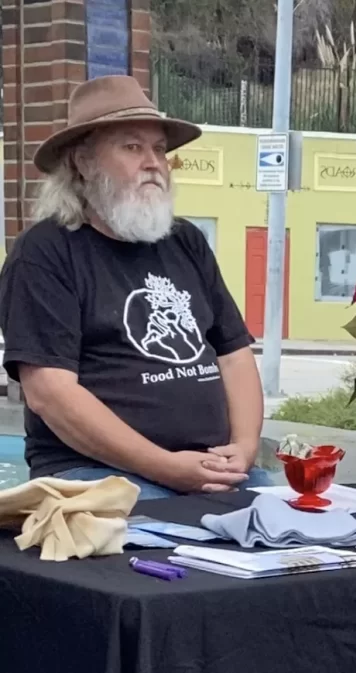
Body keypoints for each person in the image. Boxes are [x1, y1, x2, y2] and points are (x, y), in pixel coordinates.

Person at [0, 75, 273, 499]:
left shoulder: (185, 242)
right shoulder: (46, 253)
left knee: (308, 542)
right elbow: (50, 394)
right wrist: (166, 467)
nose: (154, 163)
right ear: (83, 163)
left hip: (213, 470)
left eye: (159, 149)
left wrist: (244, 446)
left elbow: (234, 355)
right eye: (132, 147)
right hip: (100, 476)